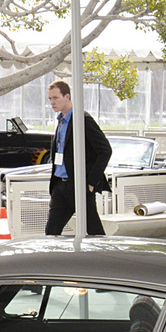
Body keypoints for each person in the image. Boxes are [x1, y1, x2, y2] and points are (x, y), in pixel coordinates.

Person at [45, 78, 113, 235]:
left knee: (94, 233)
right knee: (51, 233)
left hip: (79, 186)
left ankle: (103, 258)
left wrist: (90, 183)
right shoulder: (60, 121)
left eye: (55, 98)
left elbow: (105, 150)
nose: (52, 102)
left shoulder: (83, 120)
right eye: (50, 99)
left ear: (67, 97)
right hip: (60, 187)